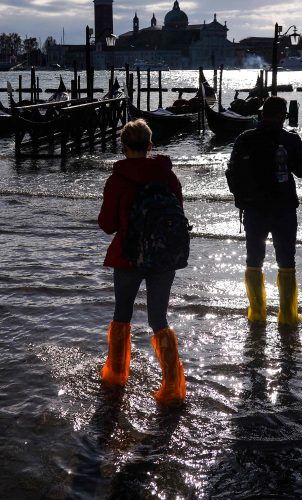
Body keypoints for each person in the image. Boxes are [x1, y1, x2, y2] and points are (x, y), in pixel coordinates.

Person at [98, 118, 186, 405]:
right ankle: (173, 386)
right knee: (158, 318)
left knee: (122, 315)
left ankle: (115, 374)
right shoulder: (167, 176)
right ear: (150, 146)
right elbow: (177, 213)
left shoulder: (117, 179)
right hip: (163, 256)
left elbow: (108, 225)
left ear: (124, 147)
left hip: (128, 256)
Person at [226, 96, 302, 326]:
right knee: (286, 262)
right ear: (282, 115)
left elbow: (232, 173)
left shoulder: (245, 138)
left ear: (262, 114)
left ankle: (257, 314)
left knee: (254, 260)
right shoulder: (290, 139)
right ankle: (288, 316)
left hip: (253, 209)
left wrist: (241, 200)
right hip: (283, 209)